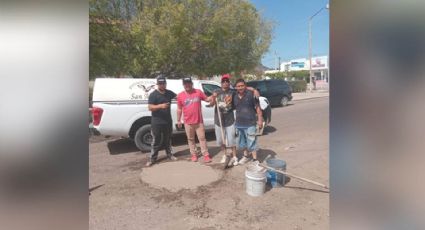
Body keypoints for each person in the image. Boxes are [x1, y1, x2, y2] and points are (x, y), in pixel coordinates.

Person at [211, 74, 260, 167]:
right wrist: (213, 97)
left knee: (233, 140)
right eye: (223, 81)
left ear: (229, 83)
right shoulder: (216, 91)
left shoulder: (233, 92)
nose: (225, 83)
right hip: (220, 120)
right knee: (223, 140)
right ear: (221, 83)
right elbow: (212, 102)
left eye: (227, 81)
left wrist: (254, 89)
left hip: (230, 120)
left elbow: (243, 87)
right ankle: (224, 155)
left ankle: (235, 156)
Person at [176, 77, 214, 163]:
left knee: (202, 138)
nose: (187, 85)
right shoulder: (180, 95)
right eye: (185, 83)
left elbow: (207, 99)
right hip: (187, 122)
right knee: (190, 139)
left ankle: (206, 155)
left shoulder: (198, 92)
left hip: (199, 121)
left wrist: (213, 95)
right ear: (183, 85)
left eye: (189, 83)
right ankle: (194, 154)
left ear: (191, 83)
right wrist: (178, 120)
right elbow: (179, 109)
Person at [146, 76, 177, 167]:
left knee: (168, 139)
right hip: (157, 122)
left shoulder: (169, 93)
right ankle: (152, 159)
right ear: (157, 84)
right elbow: (150, 107)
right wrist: (161, 106)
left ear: (165, 84)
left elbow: (179, 97)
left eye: (163, 83)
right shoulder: (153, 94)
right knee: (156, 141)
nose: (162, 85)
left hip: (167, 121)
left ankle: (170, 155)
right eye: (160, 83)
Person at [233, 78, 263, 164]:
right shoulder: (234, 95)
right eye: (238, 86)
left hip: (250, 123)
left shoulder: (251, 94)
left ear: (245, 86)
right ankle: (246, 156)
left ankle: (255, 159)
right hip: (239, 124)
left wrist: (260, 120)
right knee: (242, 143)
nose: (240, 87)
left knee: (252, 142)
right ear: (236, 87)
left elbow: (258, 108)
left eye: (242, 85)